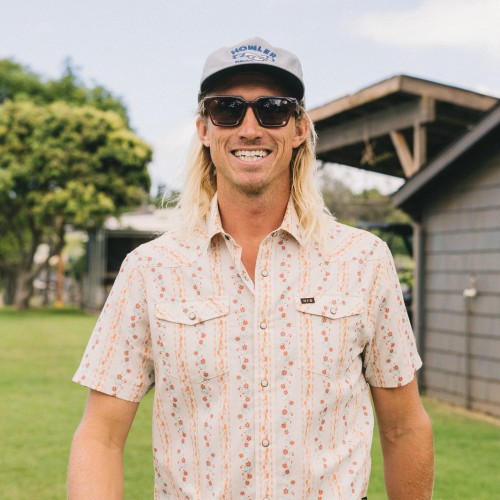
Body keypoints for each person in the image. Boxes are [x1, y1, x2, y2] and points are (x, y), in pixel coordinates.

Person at [68, 37, 434, 499]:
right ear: (204, 129)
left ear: (299, 129)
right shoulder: (150, 269)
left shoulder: (363, 260)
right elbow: (100, 435)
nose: (249, 128)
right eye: (227, 110)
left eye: (272, 110)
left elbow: (404, 427)